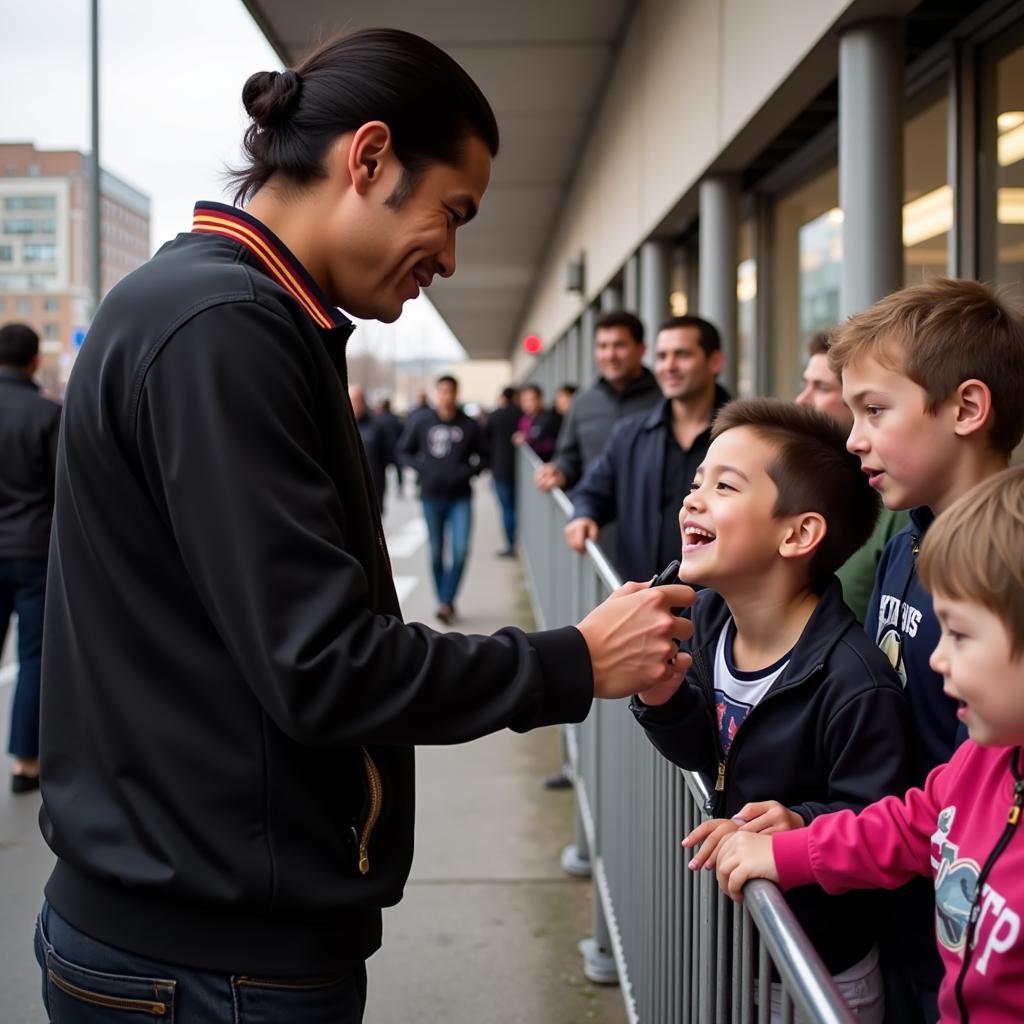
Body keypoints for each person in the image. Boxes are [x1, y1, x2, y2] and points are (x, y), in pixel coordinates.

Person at [33, 28, 697, 1024]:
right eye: (452, 212)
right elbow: (323, 664)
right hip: (211, 962)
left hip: (186, 936)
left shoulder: (217, 311)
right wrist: (572, 661)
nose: (452, 253)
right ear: (370, 156)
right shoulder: (227, 328)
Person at [632, 398, 910, 1020]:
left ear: (798, 533)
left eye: (724, 486)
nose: (692, 500)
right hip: (735, 943)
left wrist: (800, 823)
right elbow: (710, 751)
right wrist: (661, 692)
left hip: (816, 969)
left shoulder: (854, 681)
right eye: (697, 481)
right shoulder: (708, 619)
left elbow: (881, 820)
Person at [716, 465, 1024, 1024]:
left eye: (959, 634)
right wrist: (790, 848)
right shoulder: (983, 760)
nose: (935, 658)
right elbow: (912, 824)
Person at [828, 278, 1024, 1022]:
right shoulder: (903, 544)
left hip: (973, 936)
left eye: (875, 411)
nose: (854, 438)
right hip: (906, 908)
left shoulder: (1008, 576)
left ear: (968, 409)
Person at [564, 315, 731, 583]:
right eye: (662, 356)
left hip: (719, 604)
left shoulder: (744, 437)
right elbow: (593, 489)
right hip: (645, 597)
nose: (669, 366)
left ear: (715, 362)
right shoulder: (629, 433)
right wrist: (583, 515)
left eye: (682, 355)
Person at [794, 329, 908, 623]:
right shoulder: (805, 486)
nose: (801, 400)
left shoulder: (900, 502)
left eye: (820, 387)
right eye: (805, 384)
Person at [0, 323, 60, 794]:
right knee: (34, 658)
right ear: (35, 360)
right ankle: (25, 762)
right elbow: (66, 486)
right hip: (34, 551)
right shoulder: (47, 415)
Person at [533, 311, 659, 494]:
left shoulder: (666, 399)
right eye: (602, 346)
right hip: (595, 518)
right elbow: (568, 456)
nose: (610, 354)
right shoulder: (582, 402)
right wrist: (559, 471)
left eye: (619, 345)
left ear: (641, 349)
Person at [398, 374, 487, 622]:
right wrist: (423, 468)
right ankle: (443, 601)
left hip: (461, 498)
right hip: (431, 497)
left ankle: (447, 599)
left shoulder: (469, 425)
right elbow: (403, 451)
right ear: (437, 393)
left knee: (460, 551)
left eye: (451, 391)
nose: (447, 396)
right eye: (443, 391)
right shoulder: (422, 421)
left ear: (457, 394)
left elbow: (486, 455)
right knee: (436, 552)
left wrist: (467, 472)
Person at [484, 386, 520, 557]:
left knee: (507, 508)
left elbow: (484, 441)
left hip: (500, 467)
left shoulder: (495, 415)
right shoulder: (521, 414)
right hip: (520, 470)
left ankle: (511, 544)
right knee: (517, 507)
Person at [349, 384, 389, 511]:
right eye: (349, 401)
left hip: (373, 487)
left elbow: (387, 453)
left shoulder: (377, 427)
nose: (353, 405)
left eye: (356, 401)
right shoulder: (337, 428)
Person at [512, 383, 561, 460]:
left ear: (540, 399)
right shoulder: (523, 419)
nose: (527, 404)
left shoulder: (550, 416)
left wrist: (525, 437)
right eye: (524, 400)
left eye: (531, 400)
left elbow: (539, 432)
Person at [373, 396, 406, 500]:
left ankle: (384, 489)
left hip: (384, 449)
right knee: (398, 470)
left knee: (382, 471)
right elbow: (403, 432)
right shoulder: (396, 419)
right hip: (396, 447)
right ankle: (400, 486)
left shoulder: (378, 419)